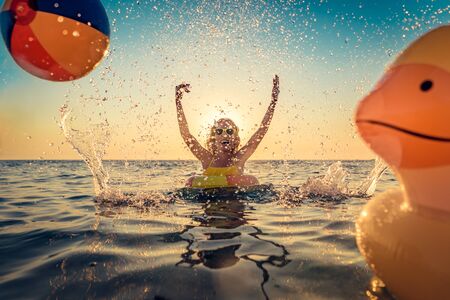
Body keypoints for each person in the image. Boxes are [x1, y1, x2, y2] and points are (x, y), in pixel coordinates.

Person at [175, 75, 280, 179]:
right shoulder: (207, 159)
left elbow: (262, 130)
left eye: (229, 131)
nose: (224, 134)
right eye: (219, 131)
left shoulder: (239, 159)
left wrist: (273, 102)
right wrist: (178, 102)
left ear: (235, 138)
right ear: (213, 137)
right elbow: (186, 135)